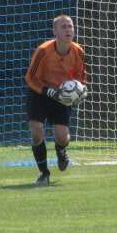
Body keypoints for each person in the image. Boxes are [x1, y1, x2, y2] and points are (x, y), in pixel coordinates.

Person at [25, 15, 87, 184]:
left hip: (61, 96)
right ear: (55, 31)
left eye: (70, 27)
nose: (68, 30)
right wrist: (49, 92)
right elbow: (31, 78)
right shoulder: (44, 51)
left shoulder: (77, 51)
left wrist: (82, 87)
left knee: (62, 137)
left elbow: (81, 74)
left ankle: (61, 150)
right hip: (39, 94)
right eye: (63, 27)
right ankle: (44, 173)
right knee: (37, 134)